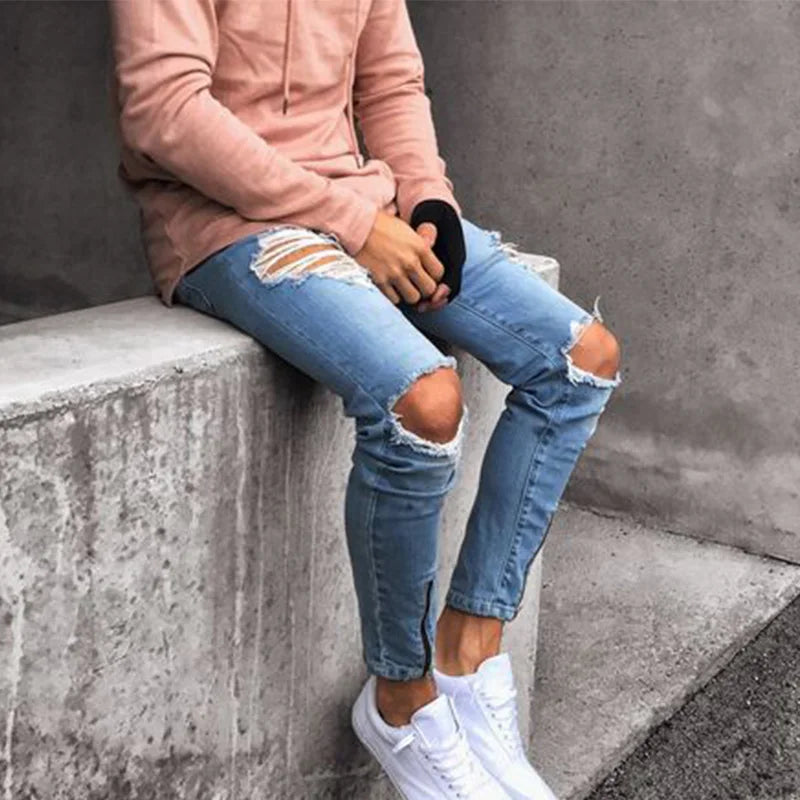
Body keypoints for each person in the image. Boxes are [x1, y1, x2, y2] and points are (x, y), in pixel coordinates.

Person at [107, 1, 621, 798]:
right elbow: (164, 112)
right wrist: (350, 221)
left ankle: (468, 652)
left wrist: (428, 203)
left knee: (580, 362)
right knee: (424, 404)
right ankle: (402, 701)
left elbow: (390, 85)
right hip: (230, 228)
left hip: (369, 212)